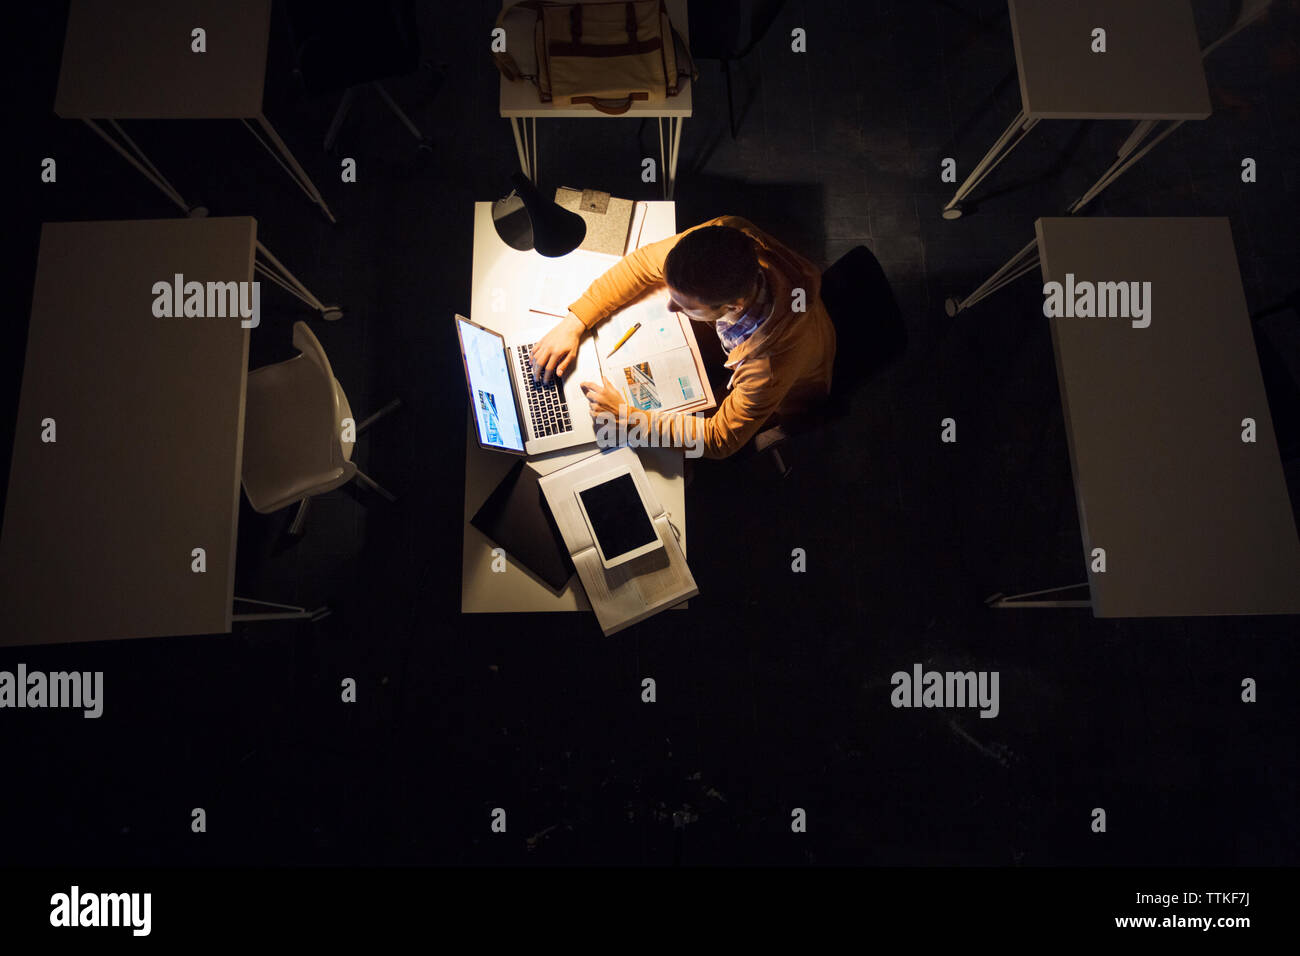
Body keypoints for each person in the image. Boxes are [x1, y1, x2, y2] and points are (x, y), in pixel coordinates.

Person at [529, 216, 836, 459]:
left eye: (686, 306)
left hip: (790, 402)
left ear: (732, 307)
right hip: (742, 348)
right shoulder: (726, 233)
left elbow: (720, 440)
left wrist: (630, 420)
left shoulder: (769, 368)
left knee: (679, 466)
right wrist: (575, 321)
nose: (671, 307)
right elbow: (640, 266)